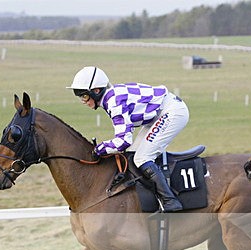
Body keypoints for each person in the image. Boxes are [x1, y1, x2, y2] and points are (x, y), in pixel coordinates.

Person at [67, 66, 187, 212]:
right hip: (159, 113)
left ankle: (170, 201)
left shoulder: (114, 103)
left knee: (142, 158)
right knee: (133, 155)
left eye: (85, 96)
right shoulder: (110, 98)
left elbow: (123, 141)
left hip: (172, 112)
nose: (83, 101)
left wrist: (100, 149)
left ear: (96, 91)